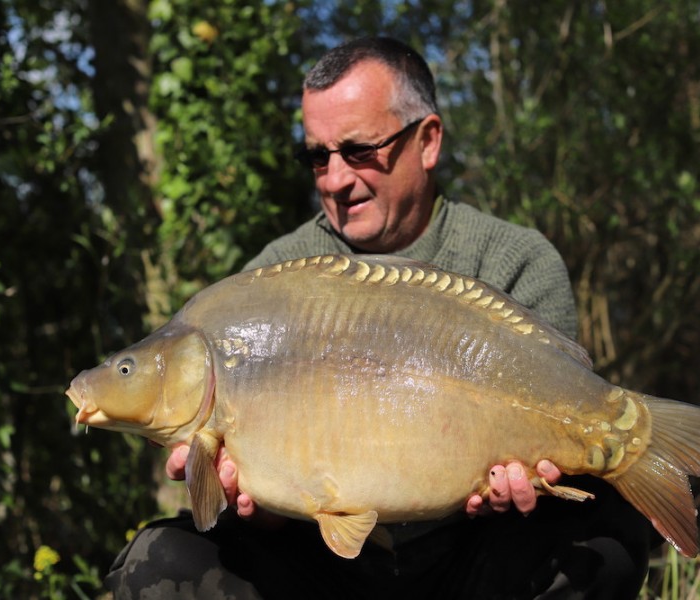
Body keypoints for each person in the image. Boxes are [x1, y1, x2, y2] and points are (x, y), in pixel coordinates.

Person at [106, 36, 656, 599]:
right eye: (317, 156)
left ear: (428, 140)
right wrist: (252, 506)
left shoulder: (514, 260)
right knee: (157, 561)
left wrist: (533, 485)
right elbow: (252, 502)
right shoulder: (270, 281)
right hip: (323, 566)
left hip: (474, 556)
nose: (335, 178)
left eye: (360, 150)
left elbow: (556, 430)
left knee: (605, 538)